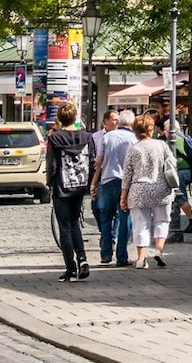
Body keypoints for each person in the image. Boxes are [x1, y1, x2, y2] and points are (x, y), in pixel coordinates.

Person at [120, 113, 177, 268]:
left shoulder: (133, 149)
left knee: (140, 224)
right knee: (162, 221)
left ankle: (141, 258)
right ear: (151, 130)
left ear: (136, 131)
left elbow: (127, 175)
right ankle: (159, 250)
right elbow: (172, 164)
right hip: (161, 189)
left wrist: (123, 196)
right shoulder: (162, 145)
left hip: (139, 191)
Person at [46, 102, 95, 281]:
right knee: (75, 224)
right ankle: (82, 259)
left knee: (64, 227)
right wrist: (91, 183)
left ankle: (70, 268)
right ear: (75, 118)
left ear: (59, 118)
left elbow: (51, 164)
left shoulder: (55, 138)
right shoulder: (86, 136)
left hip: (62, 186)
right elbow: (92, 161)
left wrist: (49, 182)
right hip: (80, 186)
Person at [92, 109, 135, 267]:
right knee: (125, 219)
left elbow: (99, 161)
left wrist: (94, 183)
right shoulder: (133, 138)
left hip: (107, 180)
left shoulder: (107, 136)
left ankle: (105, 254)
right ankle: (122, 256)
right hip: (126, 182)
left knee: (106, 218)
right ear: (130, 123)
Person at [166, 119, 192, 235]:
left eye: (166, 129)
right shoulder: (184, 137)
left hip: (179, 170)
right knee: (178, 196)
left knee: (181, 197)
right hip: (186, 170)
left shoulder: (174, 139)